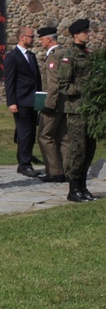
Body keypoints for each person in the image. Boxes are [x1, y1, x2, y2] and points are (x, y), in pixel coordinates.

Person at [58, 19, 98, 202]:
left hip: (89, 109)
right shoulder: (69, 56)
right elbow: (64, 86)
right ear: (76, 34)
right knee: (77, 150)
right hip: (76, 110)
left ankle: (82, 186)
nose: (88, 34)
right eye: (84, 32)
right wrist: (85, 88)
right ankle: (73, 188)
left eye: (88, 31)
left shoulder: (87, 54)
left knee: (90, 148)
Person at [4, 26, 43, 178]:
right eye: (31, 36)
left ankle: (25, 158)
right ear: (22, 37)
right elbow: (10, 81)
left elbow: (36, 79)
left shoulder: (31, 56)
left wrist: (40, 98)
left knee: (31, 133)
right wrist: (11, 102)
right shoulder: (12, 57)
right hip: (21, 101)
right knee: (24, 133)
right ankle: (24, 164)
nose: (33, 39)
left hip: (33, 100)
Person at [37, 26, 68, 183]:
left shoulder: (54, 56)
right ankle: (67, 170)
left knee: (44, 135)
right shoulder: (63, 53)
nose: (40, 42)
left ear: (49, 39)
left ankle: (55, 171)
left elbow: (53, 84)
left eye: (42, 39)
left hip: (54, 104)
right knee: (63, 137)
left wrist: (48, 104)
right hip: (64, 103)